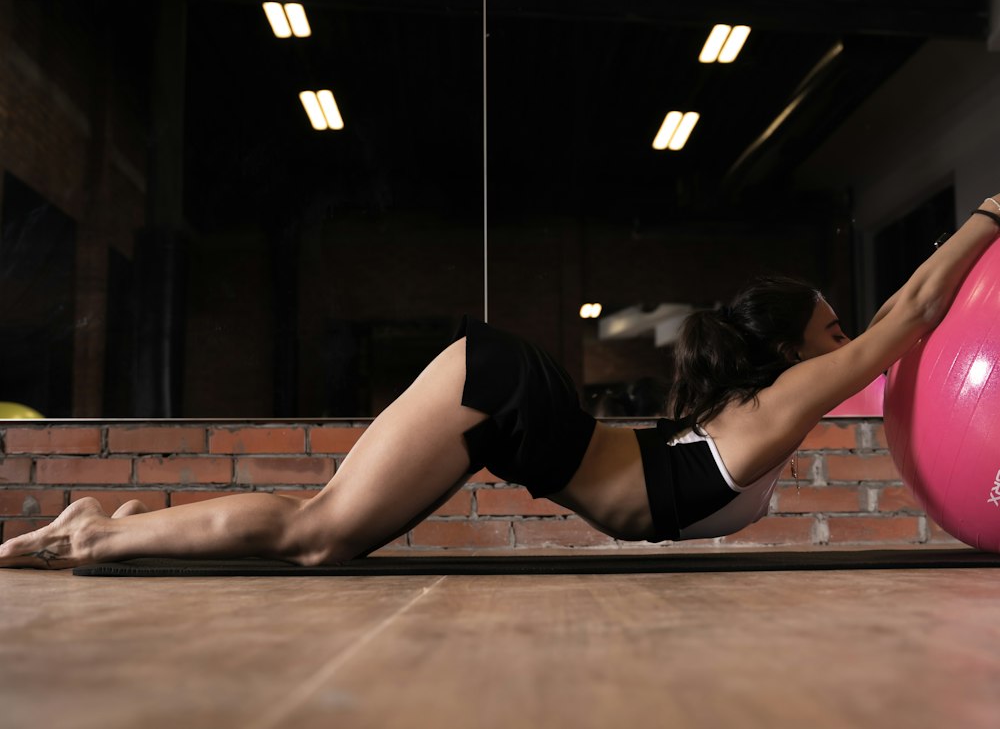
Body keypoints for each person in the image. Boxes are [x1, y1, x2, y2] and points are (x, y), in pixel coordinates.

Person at [3, 196, 1000, 570]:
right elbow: (910, 313)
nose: (853, 340)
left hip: (516, 399)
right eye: (832, 330)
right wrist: (989, 215)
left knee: (324, 528)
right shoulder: (780, 408)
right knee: (320, 536)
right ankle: (97, 535)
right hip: (509, 395)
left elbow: (895, 325)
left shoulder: (763, 407)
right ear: (791, 352)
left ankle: (107, 520)